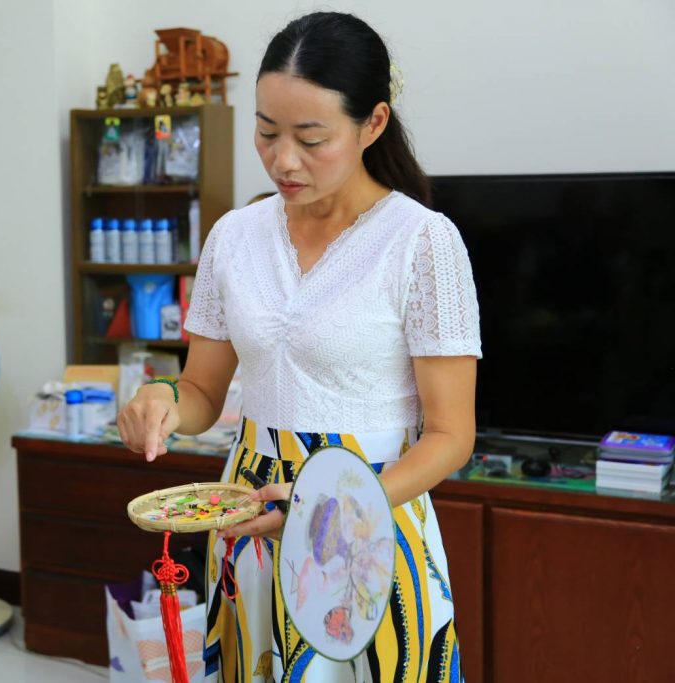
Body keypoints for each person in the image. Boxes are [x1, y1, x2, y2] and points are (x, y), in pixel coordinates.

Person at [118, 11, 481, 683]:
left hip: (369, 518)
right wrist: (160, 399)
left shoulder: (422, 243)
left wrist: (333, 499)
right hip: (251, 511)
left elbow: (451, 434)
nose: (283, 159)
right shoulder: (234, 236)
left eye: (311, 138)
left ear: (373, 124)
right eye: (267, 131)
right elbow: (201, 389)